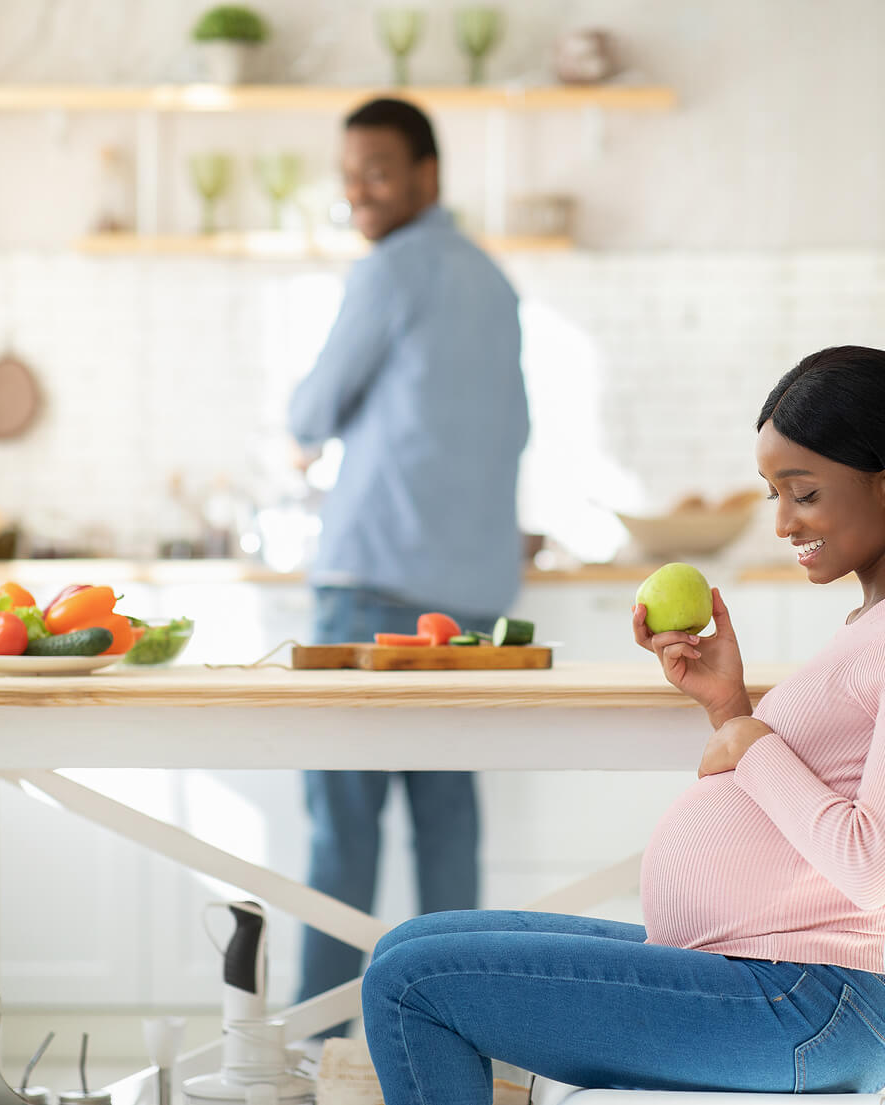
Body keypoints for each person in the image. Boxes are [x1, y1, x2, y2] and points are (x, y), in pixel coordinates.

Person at [360, 346, 885, 1100]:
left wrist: (752, 741)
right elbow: (797, 794)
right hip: (761, 981)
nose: (783, 522)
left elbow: (871, 861)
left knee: (410, 983)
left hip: (804, 1004)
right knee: (411, 945)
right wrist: (729, 707)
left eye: (804, 492)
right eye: (773, 495)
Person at [287, 97, 530, 1035]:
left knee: (341, 830)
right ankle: (454, 1040)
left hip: (370, 593)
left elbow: (312, 411)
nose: (358, 190)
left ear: (430, 174)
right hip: (468, 608)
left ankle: (312, 1049)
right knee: (448, 833)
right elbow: (514, 429)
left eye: (378, 170)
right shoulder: (495, 282)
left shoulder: (390, 269)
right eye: (349, 173)